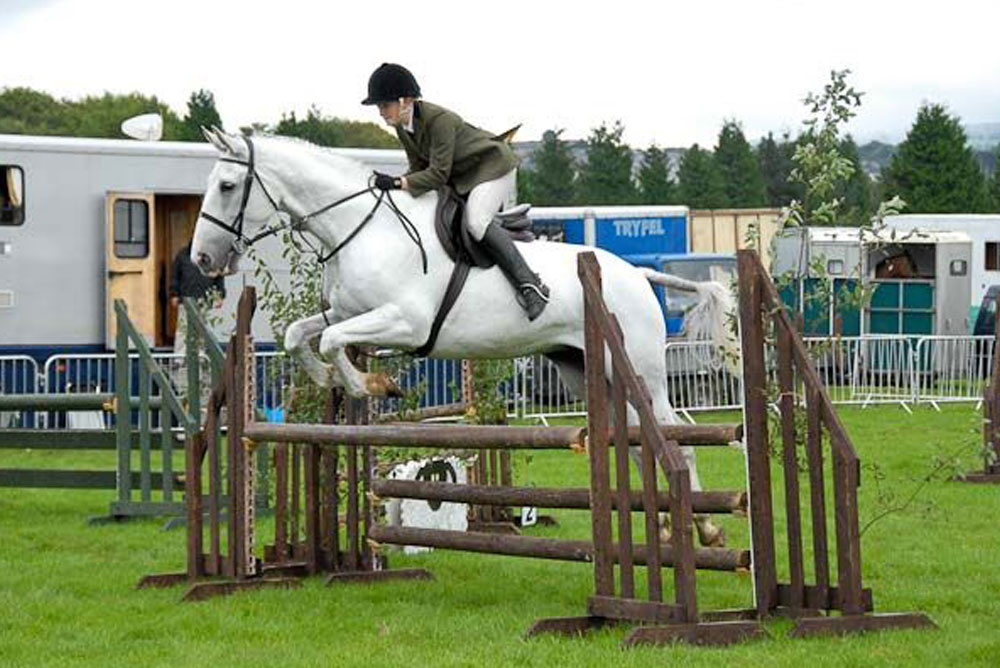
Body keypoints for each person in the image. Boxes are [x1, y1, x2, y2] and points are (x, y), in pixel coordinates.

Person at [362, 63, 550, 321]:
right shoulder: (403, 127)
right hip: (462, 176)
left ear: (404, 100)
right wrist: (395, 187)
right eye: (379, 107)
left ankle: (531, 286)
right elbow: (417, 168)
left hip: (493, 167)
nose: (381, 113)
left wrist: (397, 183)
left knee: (476, 222)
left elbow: (437, 173)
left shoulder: (440, 120)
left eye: (384, 105)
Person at [170, 241, 225, 395]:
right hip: (185, 299)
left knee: (202, 331)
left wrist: (219, 294)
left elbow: (218, 276)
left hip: (204, 300)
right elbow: (175, 275)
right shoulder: (182, 256)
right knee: (182, 330)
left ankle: (200, 357)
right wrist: (174, 293)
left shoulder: (210, 258)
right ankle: (179, 358)